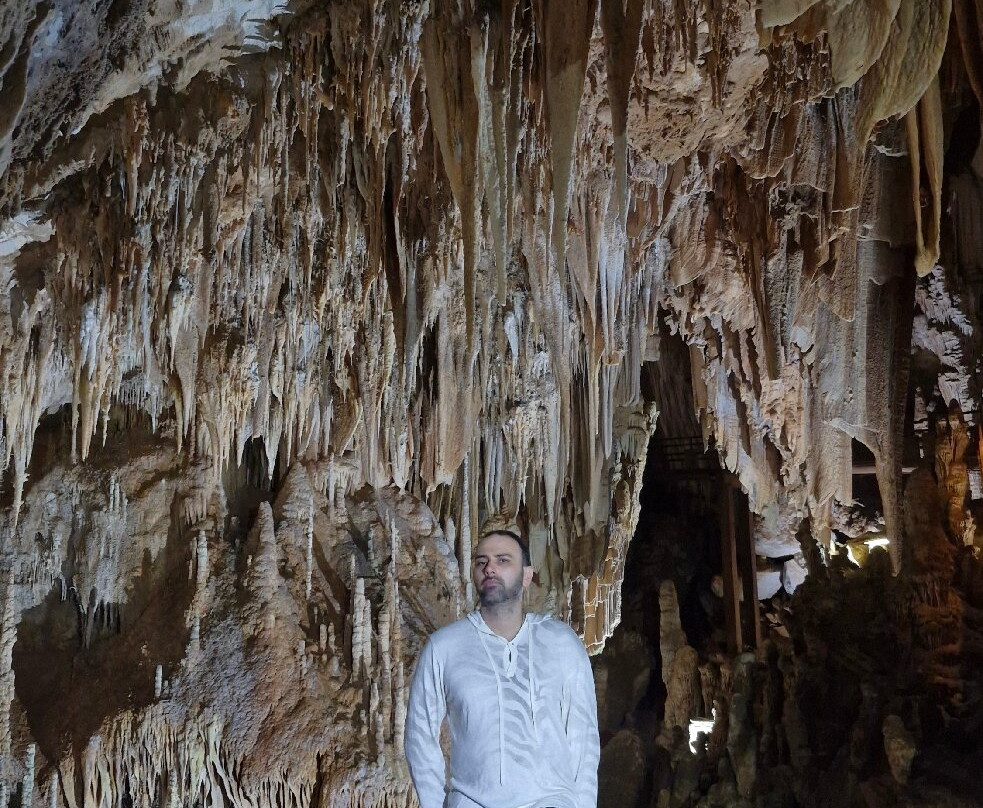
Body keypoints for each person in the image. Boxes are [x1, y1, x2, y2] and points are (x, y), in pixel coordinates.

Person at [404, 529, 599, 808]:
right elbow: (419, 736)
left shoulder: (562, 644)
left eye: (503, 560)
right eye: (481, 562)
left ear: (527, 575)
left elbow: (584, 740)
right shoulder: (444, 647)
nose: (490, 568)